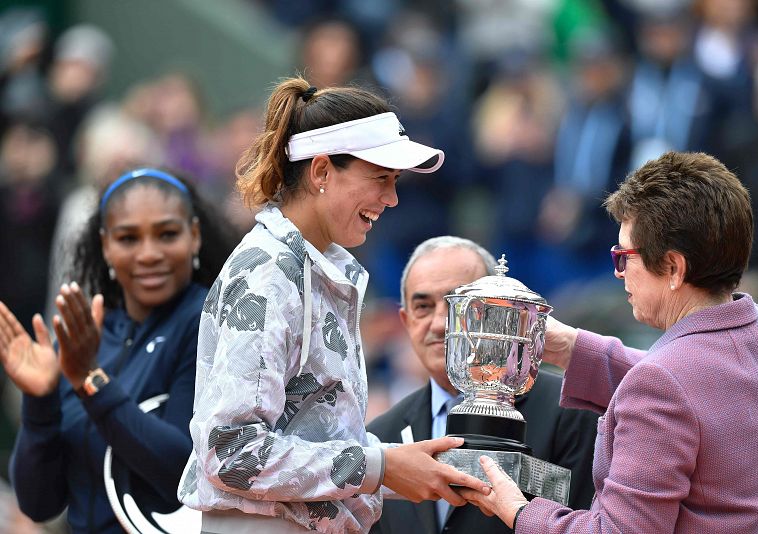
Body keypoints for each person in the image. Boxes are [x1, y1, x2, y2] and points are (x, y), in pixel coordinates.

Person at [177, 77, 489, 534]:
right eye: (380, 178)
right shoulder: (269, 272)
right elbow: (231, 453)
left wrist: (398, 466)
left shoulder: (313, 265)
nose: (392, 198)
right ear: (322, 172)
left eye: (395, 181)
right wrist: (381, 466)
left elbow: (310, 436)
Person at [457, 151, 758, 532]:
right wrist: (569, 346)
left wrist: (521, 511)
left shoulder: (664, 384)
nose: (618, 272)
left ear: (674, 268)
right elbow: (692, 393)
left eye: (624, 256)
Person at [0, 168, 235, 532]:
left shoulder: (211, 321)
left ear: (194, 236)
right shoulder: (84, 340)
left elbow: (182, 475)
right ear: (105, 246)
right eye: (128, 238)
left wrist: (91, 382)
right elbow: (39, 503)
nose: (149, 253)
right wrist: (39, 401)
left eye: (167, 234)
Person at [367, 236, 599, 534]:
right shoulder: (381, 436)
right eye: (423, 306)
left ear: (499, 313)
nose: (439, 323)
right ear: (406, 320)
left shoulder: (571, 412)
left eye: (458, 306)